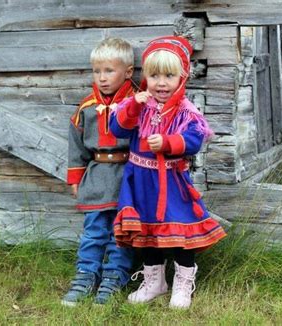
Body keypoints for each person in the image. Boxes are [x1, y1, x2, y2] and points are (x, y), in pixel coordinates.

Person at [109, 35, 227, 309]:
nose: (161, 83)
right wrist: (133, 105)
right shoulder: (139, 105)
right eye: (154, 75)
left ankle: (182, 283)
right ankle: (155, 282)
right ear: (145, 77)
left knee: (181, 233)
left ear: (182, 77)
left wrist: (168, 143)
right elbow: (118, 129)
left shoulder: (186, 111)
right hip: (139, 181)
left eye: (169, 76)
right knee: (147, 232)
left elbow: (194, 140)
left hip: (171, 182)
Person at [62, 37, 135, 306]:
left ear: (127, 72)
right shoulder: (87, 108)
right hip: (96, 175)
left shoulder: (136, 105)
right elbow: (76, 145)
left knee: (122, 231)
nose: (102, 78)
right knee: (94, 230)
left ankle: (115, 276)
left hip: (128, 176)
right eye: (97, 71)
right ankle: (86, 275)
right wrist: (75, 176)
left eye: (109, 70)